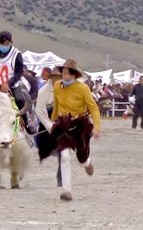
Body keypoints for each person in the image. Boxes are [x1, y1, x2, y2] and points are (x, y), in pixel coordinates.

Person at [39, 59, 101, 201]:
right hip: (63, 124)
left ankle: (86, 163)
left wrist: (97, 127)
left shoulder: (83, 88)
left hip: (80, 124)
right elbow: (56, 104)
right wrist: (53, 121)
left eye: (68, 73)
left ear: (74, 75)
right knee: (65, 156)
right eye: (63, 73)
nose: (64, 76)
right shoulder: (57, 85)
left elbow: (93, 107)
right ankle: (67, 191)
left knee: (81, 157)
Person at [35, 67, 63, 187]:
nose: (57, 79)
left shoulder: (67, 88)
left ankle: (61, 177)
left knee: (64, 151)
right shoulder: (43, 91)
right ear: (51, 78)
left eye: (59, 76)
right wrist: (51, 127)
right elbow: (40, 112)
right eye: (55, 76)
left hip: (62, 120)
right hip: (47, 121)